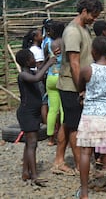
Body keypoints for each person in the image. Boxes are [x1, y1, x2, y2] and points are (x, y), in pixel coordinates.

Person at [52, 0, 103, 175]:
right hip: (71, 85)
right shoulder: (73, 31)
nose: (94, 19)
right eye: (93, 15)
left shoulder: (84, 29)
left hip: (77, 83)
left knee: (68, 123)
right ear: (84, 12)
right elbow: (74, 63)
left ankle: (59, 161)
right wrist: (81, 87)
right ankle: (80, 164)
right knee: (75, 126)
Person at [77, 36, 106, 199]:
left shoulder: (87, 70)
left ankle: (84, 192)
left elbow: (80, 87)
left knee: (85, 152)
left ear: (94, 51)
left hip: (91, 113)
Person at [15, 49, 56, 186]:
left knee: (29, 143)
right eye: (33, 58)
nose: (35, 60)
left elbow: (39, 71)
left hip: (32, 112)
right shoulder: (23, 75)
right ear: (27, 61)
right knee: (32, 143)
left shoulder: (31, 71)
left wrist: (46, 59)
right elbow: (37, 78)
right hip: (27, 113)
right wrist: (48, 64)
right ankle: (34, 176)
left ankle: (26, 172)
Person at [45, 21, 65, 146]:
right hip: (62, 77)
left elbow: (46, 59)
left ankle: (51, 139)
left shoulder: (48, 45)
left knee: (52, 109)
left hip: (50, 77)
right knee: (63, 109)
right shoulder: (64, 42)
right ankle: (64, 136)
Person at [22, 28, 48, 124]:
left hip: (36, 78)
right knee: (44, 103)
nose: (42, 36)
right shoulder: (36, 51)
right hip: (39, 79)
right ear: (35, 37)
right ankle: (45, 125)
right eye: (40, 34)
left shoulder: (33, 49)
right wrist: (48, 62)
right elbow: (39, 67)